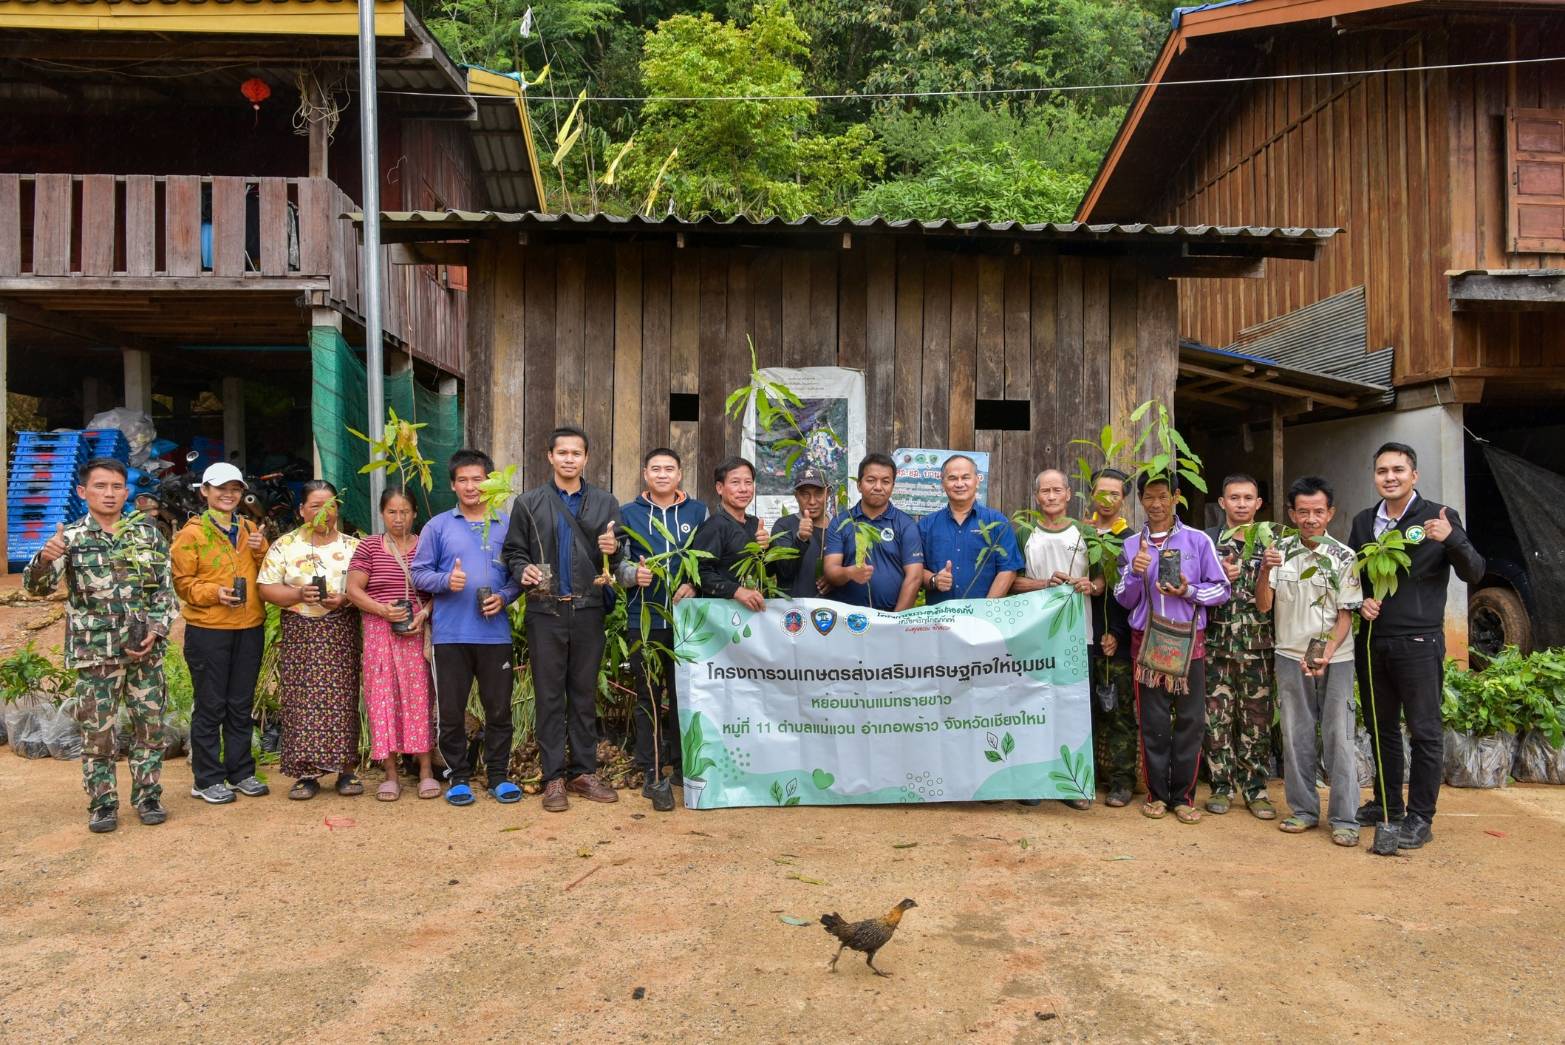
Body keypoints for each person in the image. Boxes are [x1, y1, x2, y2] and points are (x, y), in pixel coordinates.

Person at [24, 458, 177, 833]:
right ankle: (103, 803)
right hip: (95, 654)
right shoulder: (70, 539)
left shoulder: (147, 535)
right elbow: (36, 588)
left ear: (126, 493)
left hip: (145, 650)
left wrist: (156, 630)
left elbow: (165, 591)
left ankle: (148, 796)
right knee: (97, 733)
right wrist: (44, 559)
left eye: (116, 487)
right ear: (83, 492)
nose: (109, 494)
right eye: (100, 486)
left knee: (150, 727)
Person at [1348, 442, 1485, 850]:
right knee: (1381, 728)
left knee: (1425, 731)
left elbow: (1475, 571)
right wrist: (1362, 601)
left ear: (1414, 475)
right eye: (1382, 471)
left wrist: (1452, 539)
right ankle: (1388, 804)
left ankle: (1421, 816)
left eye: (1398, 470)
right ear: (1375, 476)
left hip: (1419, 642)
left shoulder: (1438, 516)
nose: (1390, 477)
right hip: (1372, 641)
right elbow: (1354, 577)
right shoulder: (1363, 521)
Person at [502, 426, 624, 813]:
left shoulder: (605, 502)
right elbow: (513, 551)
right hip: (546, 611)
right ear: (550, 456)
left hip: (588, 609)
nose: (569, 459)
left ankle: (583, 772)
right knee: (549, 696)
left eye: (577, 453)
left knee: (584, 695)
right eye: (563, 452)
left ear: (586, 458)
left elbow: (619, 558)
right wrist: (522, 569)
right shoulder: (528, 503)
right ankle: (553, 777)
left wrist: (614, 547)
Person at [1115, 473, 1230, 824]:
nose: (1156, 504)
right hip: (1147, 641)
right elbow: (1124, 599)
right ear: (1140, 499)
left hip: (1188, 642)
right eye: (1149, 497)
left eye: (1163, 496)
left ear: (1176, 497)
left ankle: (1183, 797)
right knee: (1153, 722)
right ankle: (1157, 796)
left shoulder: (1197, 540)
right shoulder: (1132, 545)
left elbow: (1221, 588)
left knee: (1190, 722)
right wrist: (1134, 574)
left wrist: (1189, 591)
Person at [411, 449, 523, 807]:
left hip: (495, 635)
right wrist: (446, 580)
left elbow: (520, 575)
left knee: (499, 710)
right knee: (451, 712)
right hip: (451, 635)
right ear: (452, 485)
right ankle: (457, 777)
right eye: (463, 480)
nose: (471, 486)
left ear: (490, 483)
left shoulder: (507, 524)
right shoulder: (438, 526)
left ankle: (498, 776)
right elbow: (418, 573)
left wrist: (504, 597)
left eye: (478, 479)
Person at [1256, 476, 1363, 847]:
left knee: (1339, 736)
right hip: (1289, 655)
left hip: (1336, 659)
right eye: (1303, 512)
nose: (1311, 519)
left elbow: (1346, 615)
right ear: (1292, 513)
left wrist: (1325, 654)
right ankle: (1302, 810)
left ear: (1330, 513)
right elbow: (1263, 606)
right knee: (1295, 734)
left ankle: (1344, 818)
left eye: (1318, 511)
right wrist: (1264, 570)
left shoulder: (1344, 557)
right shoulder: (1279, 551)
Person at [171, 462, 271, 805]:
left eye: (235, 489)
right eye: (220, 488)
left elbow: (270, 572)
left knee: (240, 704)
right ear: (205, 491)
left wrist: (261, 548)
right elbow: (183, 583)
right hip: (208, 630)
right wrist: (215, 593)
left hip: (249, 627)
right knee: (211, 705)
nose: (228, 495)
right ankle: (207, 778)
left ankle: (241, 772)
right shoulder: (192, 534)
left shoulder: (249, 528)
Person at [257, 480, 363, 800]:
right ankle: (306, 774)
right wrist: (298, 594)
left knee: (343, 699)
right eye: (315, 506)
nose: (323, 512)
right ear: (302, 510)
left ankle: (346, 770)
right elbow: (266, 587)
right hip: (300, 630)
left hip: (340, 629)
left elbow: (367, 588)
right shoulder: (285, 545)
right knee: (301, 699)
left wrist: (345, 599)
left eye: (329, 505)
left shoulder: (354, 547)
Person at [617, 447, 708, 799]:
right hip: (645, 619)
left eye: (669, 469)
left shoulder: (698, 512)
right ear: (645, 474)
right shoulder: (628, 513)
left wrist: (694, 584)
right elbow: (617, 565)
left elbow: (708, 559)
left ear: (680, 474)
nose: (662, 474)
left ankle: (686, 766)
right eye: (655, 469)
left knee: (686, 694)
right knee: (648, 695)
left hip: (688, 621)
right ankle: (650, 767)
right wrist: (632, 575)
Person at [1011, 468, 1096, 809]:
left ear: (1068, 494)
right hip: (1037, 635)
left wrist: (1089, 585)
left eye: (1056, 490)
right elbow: (1013, 582)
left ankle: (1072, 785)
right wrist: (1044, 584)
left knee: (1072, 708)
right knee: (1033, 706)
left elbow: (1102, 581)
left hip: (1078, 633)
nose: (1050, 496)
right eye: (1044, 491)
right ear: (1036, 497)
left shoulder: (1086, 532)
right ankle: (1033, 781)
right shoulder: (1024, 532)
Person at [346, 487, 436, 802]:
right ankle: (391, 773)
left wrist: (424, 613)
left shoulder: (426, 544)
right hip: (378, 632)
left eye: (405, 512)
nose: (399, 519)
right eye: (392, 512)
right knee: (381, 699)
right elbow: (353, 589)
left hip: (415, 631)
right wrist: (382, 609)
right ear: (382, 514)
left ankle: (425, 770)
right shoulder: (370, 546)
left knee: (419, 698)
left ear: (415, 514)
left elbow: (439, 590)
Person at [1201, 474, 1279, 819]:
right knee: (1215, 721)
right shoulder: (1207, 542)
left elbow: (1273, 600)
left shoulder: (1271, 543)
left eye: (1248, 498)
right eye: (1235, 498)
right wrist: (1217, 577)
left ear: (1258, 503)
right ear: (1222, 503)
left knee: (1256, 723)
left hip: (1257, 649)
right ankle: (1221, 787)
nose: (1242, 504)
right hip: (1215, 646)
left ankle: (1256, 790)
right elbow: (1194, 589)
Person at [1084, 468, 1137, 808]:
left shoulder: (1130, 540)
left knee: (1118, 712)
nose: (1107, 500)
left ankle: (1121, 781)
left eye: (1115, 494)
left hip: (1113, 640)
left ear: (1124, 499)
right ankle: (1083, 777)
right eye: (1101, 493)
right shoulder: (1079, 534)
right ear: (1091, 494)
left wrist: (1117, 633)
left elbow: (1132, 595)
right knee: (1082, 711)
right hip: (1079, 637)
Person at [823, 453, 924, 612]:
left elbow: (914, 577)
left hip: (890, 615)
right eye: (871, 480)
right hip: (847, 618)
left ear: (892, 486)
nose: (878, 487)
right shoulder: (841, 523)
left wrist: (895, 621)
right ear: (859, 485)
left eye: (885, 481)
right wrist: (849, 573)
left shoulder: (906, 524)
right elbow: (830, 571)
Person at [919, 454, 1019, 603]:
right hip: (939, 615)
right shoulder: (926, 525)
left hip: (983, 613)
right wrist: (934, 579)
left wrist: (986, 609)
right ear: (943, 483)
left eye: (965, 477)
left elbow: (1008, 570)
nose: (959, 484)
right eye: (952, 478)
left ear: (977, 481)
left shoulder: (998, 522)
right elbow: (914, 569)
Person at [693, 456, 770, 610]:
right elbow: (700, 573)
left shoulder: (754, 523)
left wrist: (766, 548)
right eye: (735, 482)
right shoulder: (714, 526)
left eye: (748, 482)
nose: (743, 489)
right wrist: (736, 591)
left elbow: (766, 570)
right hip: (724, 613)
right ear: (719, 488)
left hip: (755, 610)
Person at [770, 465, 836, 599]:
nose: (812, 501)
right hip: (793, 609)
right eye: (805, 494)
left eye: (818, 493)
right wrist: (800, 539)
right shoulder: (783, 526)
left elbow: (853, 568)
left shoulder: (839, 527)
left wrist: (836, 578)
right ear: (796, 496)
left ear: (828, 493)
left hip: (830, 609)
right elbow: (785, 571)